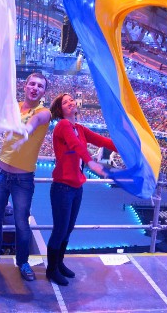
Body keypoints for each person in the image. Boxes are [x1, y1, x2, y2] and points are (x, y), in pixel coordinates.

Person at [0, 72, 51, 281]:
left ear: (44, 92)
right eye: (32, 84)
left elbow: (34, 122)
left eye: (40, 86)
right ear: (25, 86)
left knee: (21, 222)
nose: (35, 88)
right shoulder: (12, 108)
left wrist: (25, 129)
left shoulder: (44, 112)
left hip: (23, 180)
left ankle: (23, 262)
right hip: (0, 174)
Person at [45, 93, 117, 286]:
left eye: (71, 100)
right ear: (60, 109)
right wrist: (90, 161)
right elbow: (75, 146)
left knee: (68, 230)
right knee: (60, 230)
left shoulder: (80, 129)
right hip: (62, 187)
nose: (70, 102)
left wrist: (127, 148)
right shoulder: (63, 126)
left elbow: (103, 142)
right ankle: (51, 270)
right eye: (65, 102)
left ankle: (59, 264)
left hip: (77, 188)